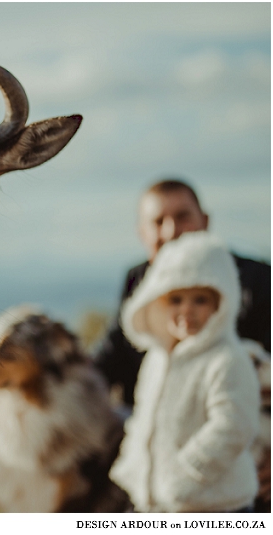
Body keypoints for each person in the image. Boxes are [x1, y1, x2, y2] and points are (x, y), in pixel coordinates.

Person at [95, 178, 270, 512]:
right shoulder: (138, 283)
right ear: (142, 232)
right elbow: (105, 365)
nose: (172, 230)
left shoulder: (260, 280)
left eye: (183, 216)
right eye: (158, 221)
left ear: (205, 221)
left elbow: (233, 423)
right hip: (157, 477)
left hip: (240, 472)